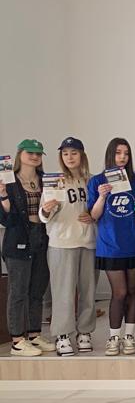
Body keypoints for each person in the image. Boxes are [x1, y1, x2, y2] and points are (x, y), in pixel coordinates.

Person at [39, 137, 97, 357]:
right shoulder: (54, 181)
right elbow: (43, 216)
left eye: (74, 152)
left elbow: (98, 210)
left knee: (88, 291)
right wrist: (46, 209)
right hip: (61, 243)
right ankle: (62, 334)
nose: (70, 157)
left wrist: (93, 216)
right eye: (65, 153)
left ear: (82, 155)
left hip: (88, 242)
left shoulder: (91, 180)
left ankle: (85, 332)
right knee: (63, 292)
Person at [88, 138, 135, 356]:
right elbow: (94, 215)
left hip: (134, 243)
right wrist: (102, 196)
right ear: (110, 154)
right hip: (110, 246)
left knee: (132, 291)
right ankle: (113, 337)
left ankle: (129, 336)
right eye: (118, 152)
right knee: (119, 292)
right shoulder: (97, 181)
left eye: (126, 153)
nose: (122, 157)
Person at [1, 139, 56, 357]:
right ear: (20, 154)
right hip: (17, 242)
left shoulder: (46, 180)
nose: (34, 157)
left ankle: (34, 334)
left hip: (41, 238)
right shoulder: (9, 181)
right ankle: (17, 340)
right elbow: (6, 219)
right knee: (18, 292)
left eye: (38, 153)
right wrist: (3, 196)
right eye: (30, 152)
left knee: (37, 290)